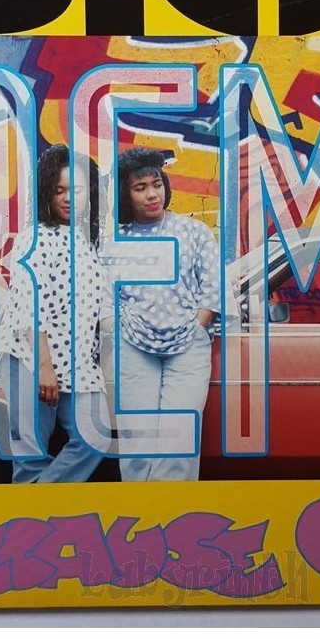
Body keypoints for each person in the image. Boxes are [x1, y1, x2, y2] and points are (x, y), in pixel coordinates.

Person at [0, 144, 112, 483]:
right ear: (46, 192)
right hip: (30, 356)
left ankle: (38, 503)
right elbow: (30, 305)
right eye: (58, 190)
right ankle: (38, 509)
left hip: (78, 361)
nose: (67, 198)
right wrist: (45, 366)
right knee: (30, 456)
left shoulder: (89, 242)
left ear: (90, 192)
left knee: (94, 436)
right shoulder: (35, 238)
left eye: (76, 190)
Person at [114, 147, 220, 481]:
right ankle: (138, 508)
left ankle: (174, 510)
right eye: (140, 187)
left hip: (188, 345)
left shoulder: (195, 232)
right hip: (133, 345)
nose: (151, 194)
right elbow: (104, 295)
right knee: (138, 439)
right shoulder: (115, 241)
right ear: (125, 194)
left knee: (180, 436)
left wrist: (197, 327)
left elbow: (213, 288)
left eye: (156, 184)